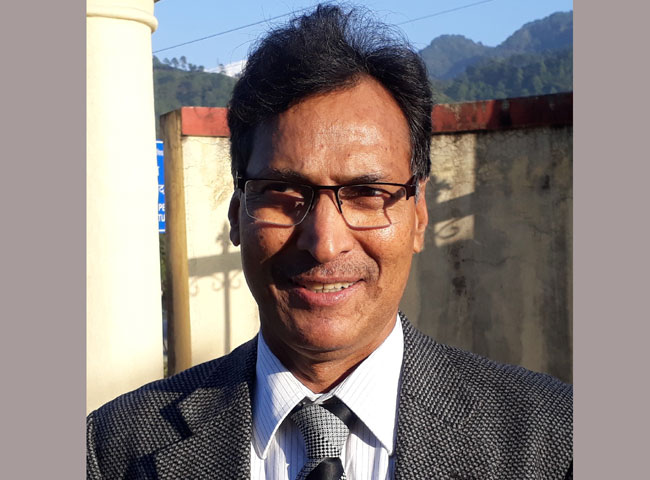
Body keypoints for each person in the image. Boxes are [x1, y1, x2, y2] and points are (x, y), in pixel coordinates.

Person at [87, 5, 572, 479]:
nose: (324, 243)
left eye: (367, 194)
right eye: (283, 192)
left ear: (419, 216)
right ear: (237, 213)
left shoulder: (558, 441)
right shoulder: (110, 450)